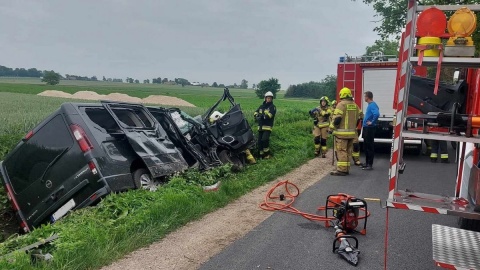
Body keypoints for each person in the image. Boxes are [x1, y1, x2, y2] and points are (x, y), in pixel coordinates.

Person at [329, 87, 361, 176]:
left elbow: (337, 119)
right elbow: (360, 117)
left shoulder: (341, 104)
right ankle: (346, 169)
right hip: (352, 133)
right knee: (348, 151)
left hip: (342, 134)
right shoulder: (355, 105)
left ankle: (342, 170)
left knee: (341, 150)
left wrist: (331, 129)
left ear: (342, 95)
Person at [254, 91, 276, 159]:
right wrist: (256, 116)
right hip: (260, 127)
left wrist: (262, 116)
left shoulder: (272, 107)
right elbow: (255, 112)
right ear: (265, 98)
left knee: (264, 139)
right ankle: (261, 155)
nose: (269, 99)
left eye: (270, 98)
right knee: (259, 142)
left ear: (272, 99)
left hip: (267, 127)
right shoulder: (261, 106)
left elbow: (270, 115)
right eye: (268, 98)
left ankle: (267, 154)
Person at [361, 91, 380, 171]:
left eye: (365, 96)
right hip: (366, 128)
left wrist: (372, 122)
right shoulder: (370, 105)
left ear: (367, 97)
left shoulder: (372, 105)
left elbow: (377, 114)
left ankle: (370, 164)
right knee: (366, 146)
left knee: (369, 146)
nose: (364, 98)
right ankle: (367, 163)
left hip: (369, 128)